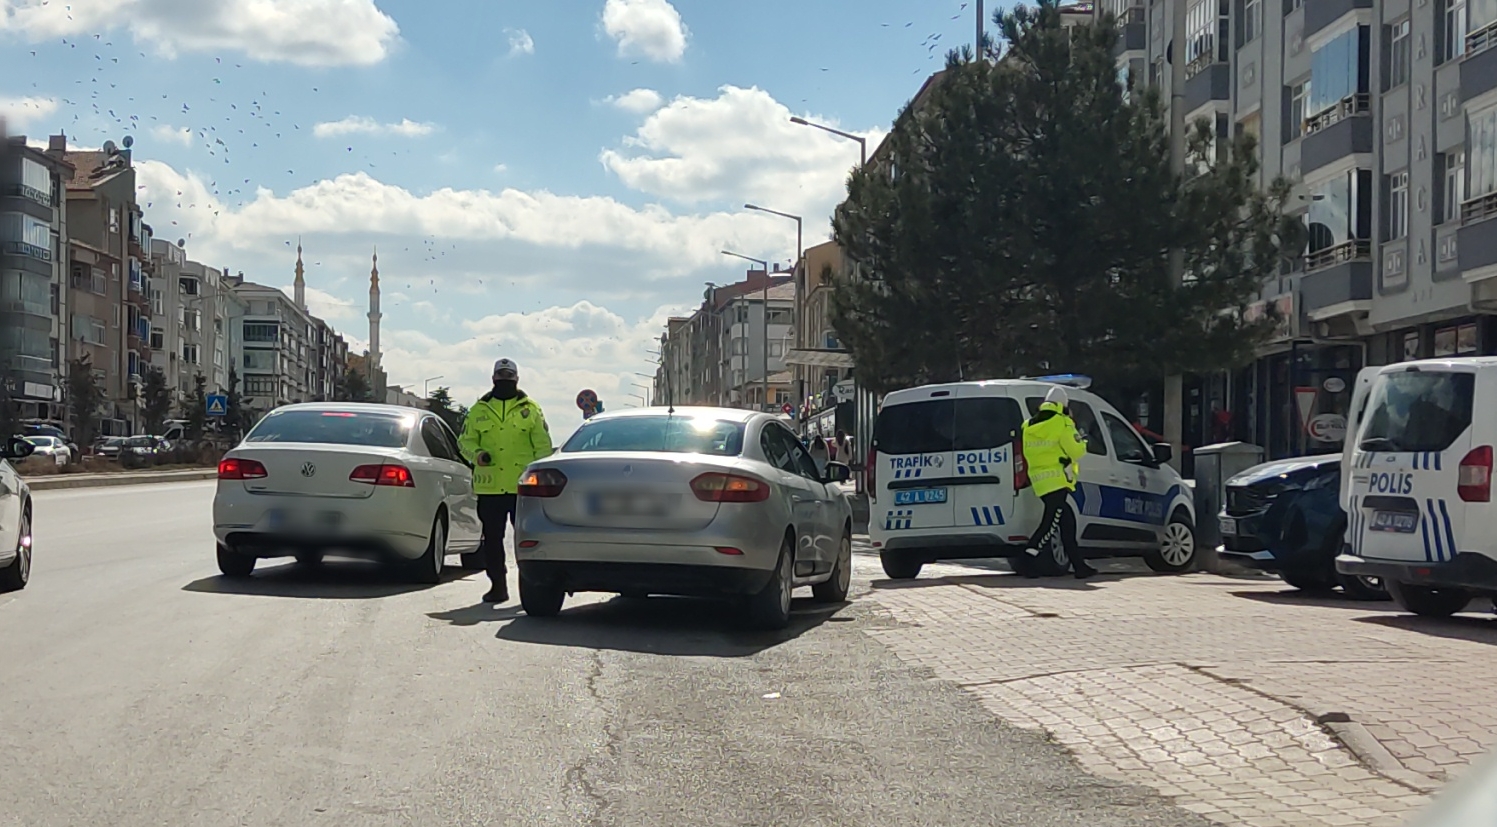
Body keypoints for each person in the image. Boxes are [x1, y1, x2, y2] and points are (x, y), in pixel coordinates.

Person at [458, 358, 554, 604]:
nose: (504, 381)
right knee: (492, 540)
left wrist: (540, 478)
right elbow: (465, 442)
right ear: (493, 379)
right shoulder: (479, 409)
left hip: (523, 488)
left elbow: (542, 447)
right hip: (490, 488)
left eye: (508, 378)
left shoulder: (530, 409)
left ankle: (530, 587)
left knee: (527, 540)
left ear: (516, 380)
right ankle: (498, 586)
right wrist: (477, 455)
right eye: (501, 377)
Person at [1021, 386, 1097, 579]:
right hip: (1057, 480)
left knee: (1067, 521)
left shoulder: (1029, 425)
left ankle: (1079, 566)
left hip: (1040, 481)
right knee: (1049, 524)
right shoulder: (1062, 422)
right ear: (1064, 404)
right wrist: (1083, 441)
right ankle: (1027, 560)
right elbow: (1076, 451)